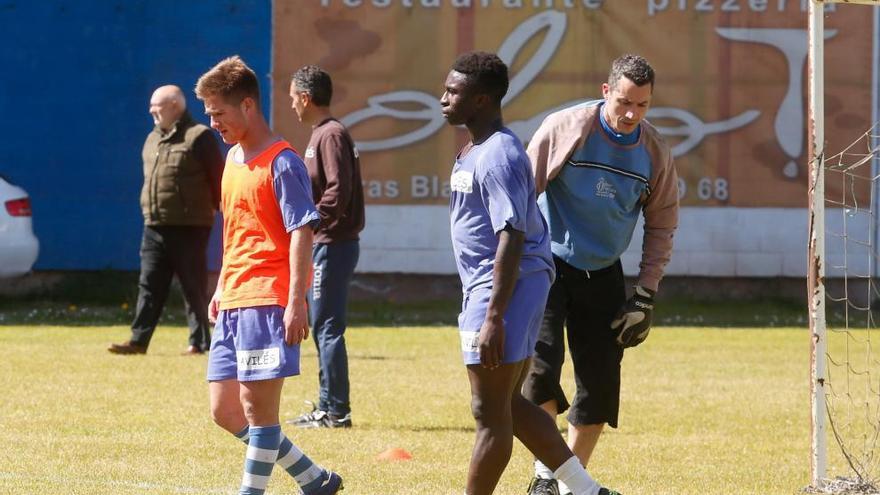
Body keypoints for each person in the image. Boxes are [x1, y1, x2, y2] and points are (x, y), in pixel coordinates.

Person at [441, 51, 620, 495]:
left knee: (490, 413)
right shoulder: (475, 147)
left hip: (505, 288)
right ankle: (585, 490)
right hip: (490, 287)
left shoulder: (500, 153)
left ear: (481, 100)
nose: (443, 98)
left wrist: (495, 316)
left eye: (453, 91)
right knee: (509, 404)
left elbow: (512, 235)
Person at [522, 54, 679, 495]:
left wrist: (645, 295)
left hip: (605, 272)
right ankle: (545, 476)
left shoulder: (654, 151)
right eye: (625, 101)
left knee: (600, 381)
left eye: (643, 105)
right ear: (606, 91)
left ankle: (570, 481)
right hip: (547, 266)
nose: (631, 114)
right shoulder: (565, 127)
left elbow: (663, 224)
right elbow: (522, 196)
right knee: (541, 369)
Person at [195, 56, 342, 495]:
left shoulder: (283, 162)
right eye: (208, 115)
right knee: (225, 411)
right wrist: (221, 285)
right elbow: (235, 230)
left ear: (247, 106)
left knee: (260, 415)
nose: (214, 123)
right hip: (235, 296)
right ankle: (313, 479)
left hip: (268, 298)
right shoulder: (232, 159)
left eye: (218, 113)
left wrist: (297, 300)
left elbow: (302, 232)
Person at [108, 84, 223, 356]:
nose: (151, 110)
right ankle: (138, 341)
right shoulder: (152, 139)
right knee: (149, 284)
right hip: (154, 224)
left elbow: (218, 179)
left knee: (192, 284)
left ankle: (199, 342)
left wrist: (222, 212)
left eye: (156, 105)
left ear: (174, 106)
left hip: (190, 226)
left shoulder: (199, 136)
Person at [286, 65, 365, 429]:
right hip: (328, 244)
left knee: (327, 326)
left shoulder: (330, 135)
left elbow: (338, 189)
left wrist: (312, 222)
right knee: (323, 326)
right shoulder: (323, 134)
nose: (292, 107)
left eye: (292, 99)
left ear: (306, 97)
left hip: (333, 245)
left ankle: (335, 411)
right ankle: (327, 405)